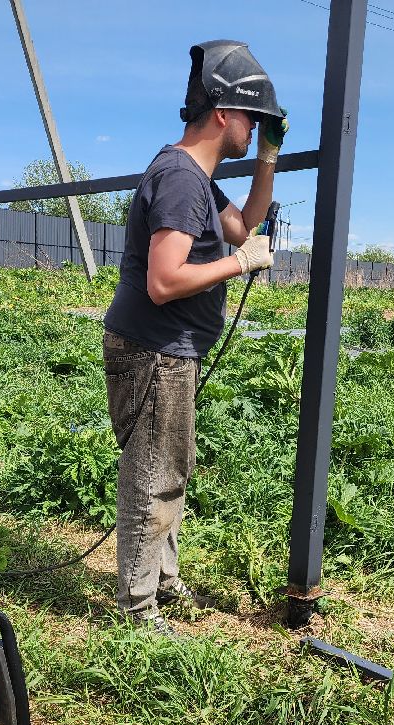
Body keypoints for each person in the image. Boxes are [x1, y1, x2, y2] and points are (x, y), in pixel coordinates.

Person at [102, 40, 286, 632]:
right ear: (226, 113)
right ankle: (138, 607)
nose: (253, 127)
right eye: (252, 119)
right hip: (155, 349)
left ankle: (163, 579)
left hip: (172, 350)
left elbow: (245, 223)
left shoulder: (199, 181)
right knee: (153, 475)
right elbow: (164, 280)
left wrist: (268, 154)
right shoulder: (181, 178)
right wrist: (241, 265)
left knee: (171, 467)